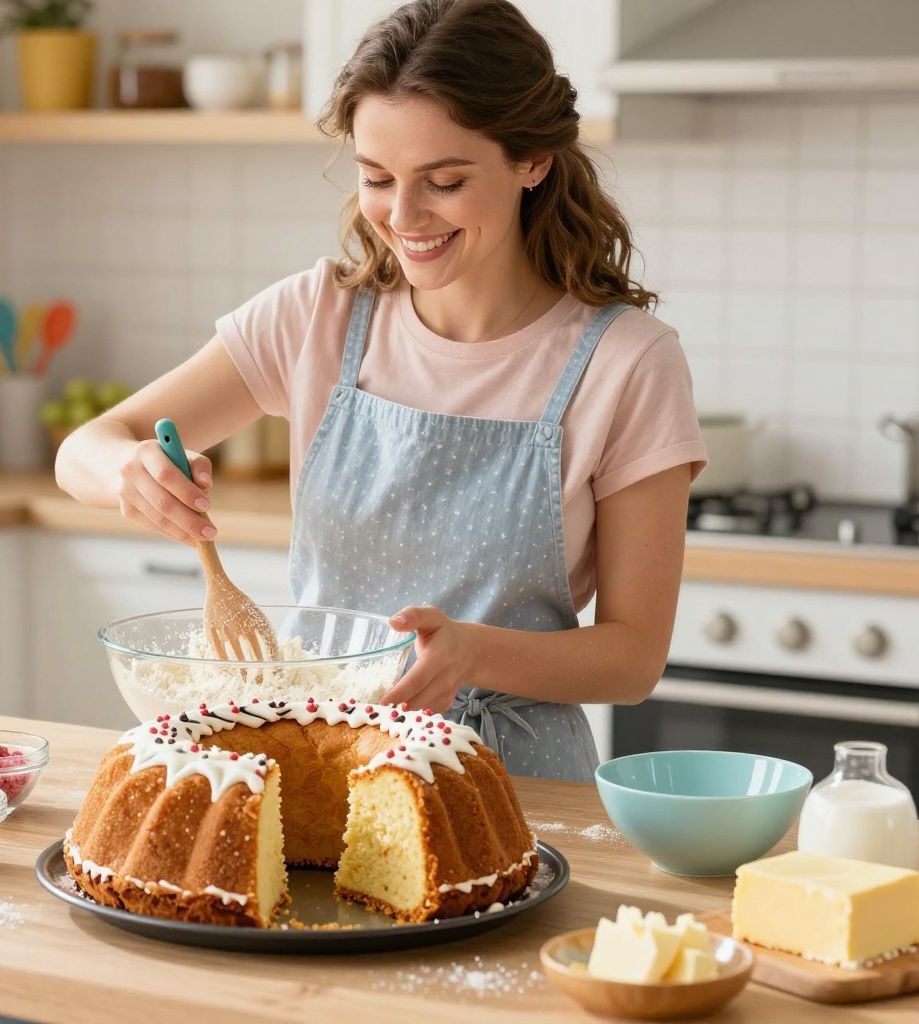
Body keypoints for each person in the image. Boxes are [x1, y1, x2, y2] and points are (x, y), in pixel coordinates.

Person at [56, 0, 706, 781]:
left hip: (512, 788)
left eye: (445, 180)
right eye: (376, 178)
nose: (404, 216)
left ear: (532, 160)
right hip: (320, 764)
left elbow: (633, 658)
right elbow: (83, 449)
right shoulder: (318, 316)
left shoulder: (627, 363)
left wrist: (474, 653)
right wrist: (129, 474)